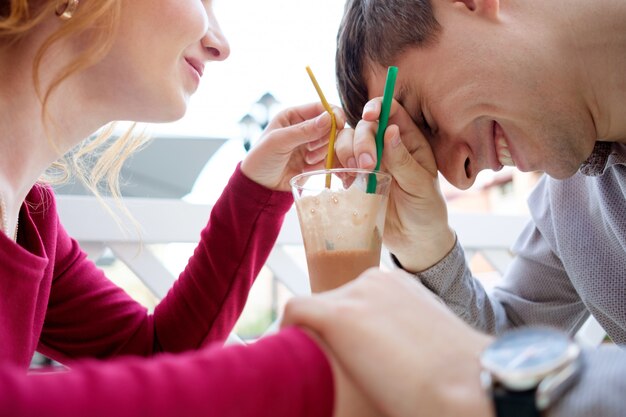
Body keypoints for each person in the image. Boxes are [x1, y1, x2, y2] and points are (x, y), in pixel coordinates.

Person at [0, 0, 381, 416]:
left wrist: (259, 187)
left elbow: (158, 352)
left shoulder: (32, 222)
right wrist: (305, 373)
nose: (221, 45)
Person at [283, 0, 626, 416]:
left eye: (426, 119)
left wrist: (484, 386)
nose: (459, 177)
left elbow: (485, 379)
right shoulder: (571, 203)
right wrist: (425, 244)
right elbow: (504, 348)